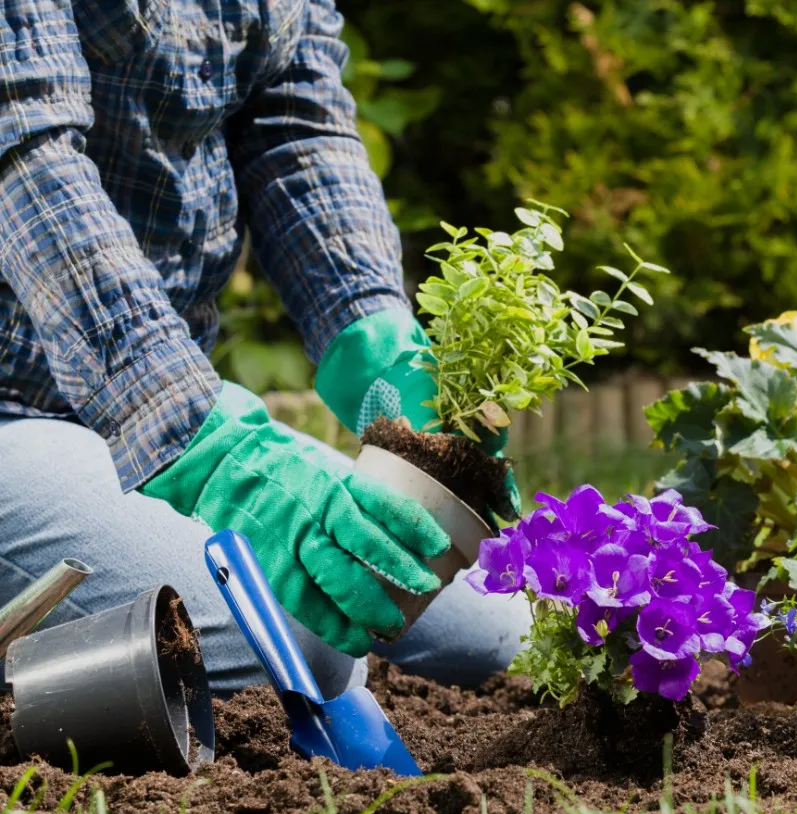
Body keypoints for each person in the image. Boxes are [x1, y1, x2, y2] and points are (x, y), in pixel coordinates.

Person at [0, 0, 530, 696]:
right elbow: (22, 150)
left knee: (494, 624)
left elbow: (292, 125)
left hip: (124, 429)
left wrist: (371, 335)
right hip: (26, 409)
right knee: (297, 647)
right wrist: (216, 449)